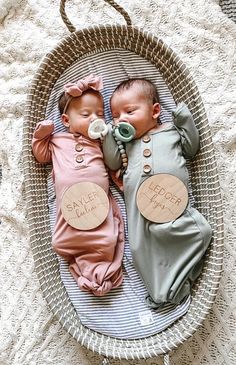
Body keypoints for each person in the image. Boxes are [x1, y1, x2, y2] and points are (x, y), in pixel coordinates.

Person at [102, 78, 212, 308]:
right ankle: (162, 291)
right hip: (139, 211)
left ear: (155, 111)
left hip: (172, 204)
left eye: (129, 111)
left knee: (201, 231)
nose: (121, 118)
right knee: (139, 249)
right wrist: (111, 134)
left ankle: (179, 274)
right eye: (115, 115)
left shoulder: (171, 132)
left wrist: (183, 118)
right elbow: (112, 162)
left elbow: (192, 148)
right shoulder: (127, 144)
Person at [32, 74, 124, 296]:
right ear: (66, 121)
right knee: (63, 239)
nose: (95, 118)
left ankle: (101, 271)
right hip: (70, 207)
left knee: (105, 236)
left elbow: (113, 161)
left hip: (97, 202)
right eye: (86, 114)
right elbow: (41, 156)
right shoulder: (57, 141)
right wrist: (40, 136)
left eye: (100, 114)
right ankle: (83, 265)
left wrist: (110, 138)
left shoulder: (101, 142)